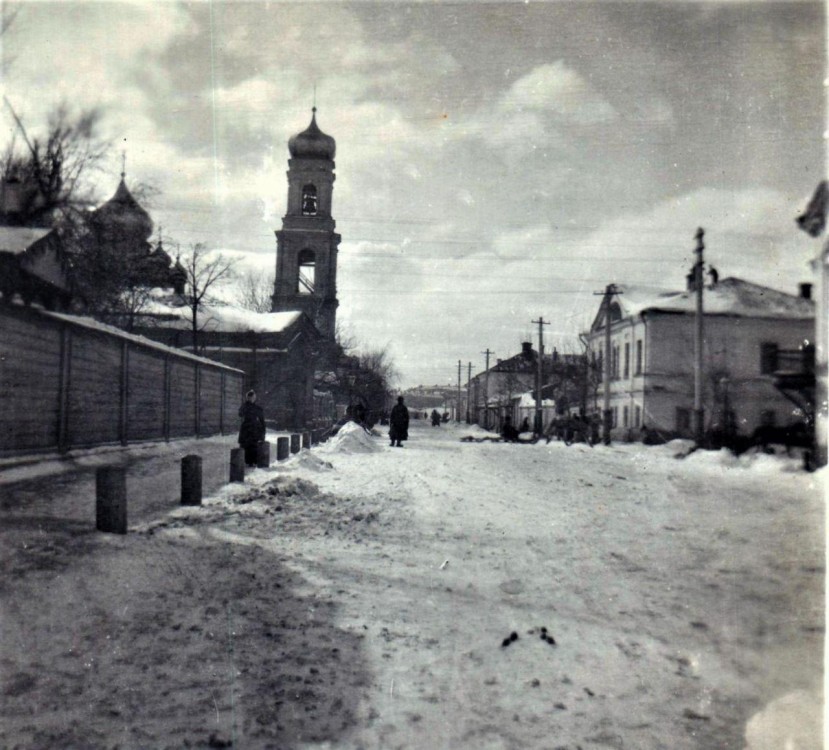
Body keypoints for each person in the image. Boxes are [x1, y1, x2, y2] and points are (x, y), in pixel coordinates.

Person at [238, 389, 266, 467]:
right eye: (249, 398)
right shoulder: (244, 406)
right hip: (246, 429)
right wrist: (245, 405)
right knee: (246, 445)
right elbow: (240, 414)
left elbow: (262, 421)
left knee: (254, 445)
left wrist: (263, 432)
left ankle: (253, 461)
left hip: (255, 429)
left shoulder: (257, 408)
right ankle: (247, 461)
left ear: (255, 398)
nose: (251, 399)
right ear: (247, 398)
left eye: (253, 397)